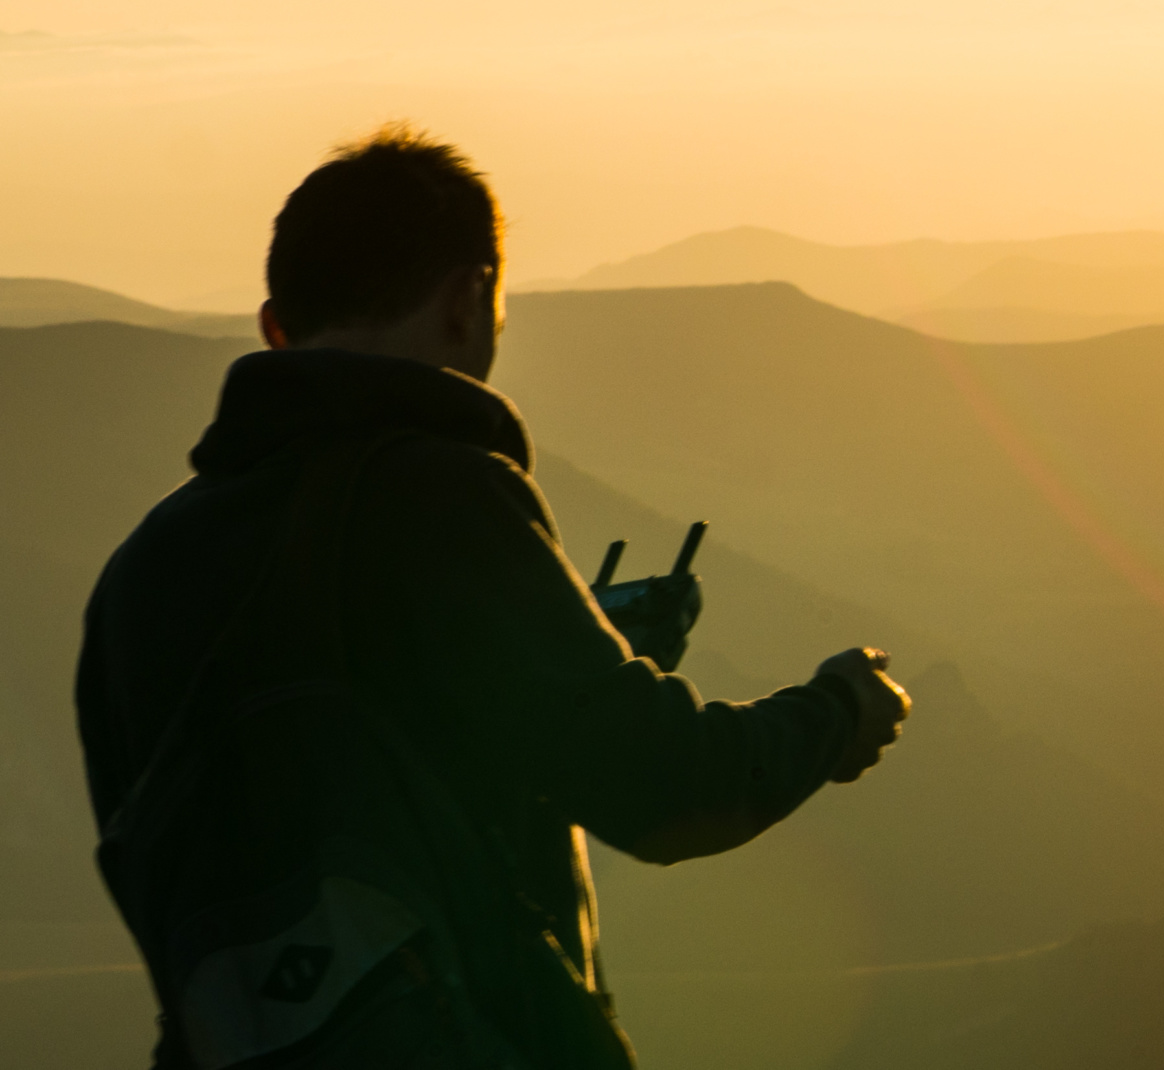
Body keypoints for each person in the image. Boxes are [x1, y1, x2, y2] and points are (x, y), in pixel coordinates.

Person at [76, 124, 910, 1067]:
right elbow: (671, 792)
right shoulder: (436, 493)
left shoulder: (143, 569)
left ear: (274, 328)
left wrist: (568, 656)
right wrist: (838, 714)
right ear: (469, 301)